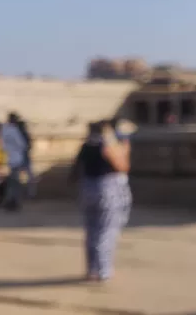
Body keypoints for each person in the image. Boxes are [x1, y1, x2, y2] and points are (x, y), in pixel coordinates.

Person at [71, 121, 132, 282]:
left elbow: (76, 170)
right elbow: (123, 167)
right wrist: (124, 150)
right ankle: (103, 270)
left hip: (87, 189)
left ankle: (91, 269)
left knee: (91, 231)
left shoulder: (86, 146)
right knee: (107, 231)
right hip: (107, 189)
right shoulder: (107, 146)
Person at [0, 114, 29, 211]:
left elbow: (1, 144)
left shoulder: (3, 130)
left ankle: (8, 200)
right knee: (15, 182)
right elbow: (22, 144)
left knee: (9, 182)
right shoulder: (14, 130)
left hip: (6, 159)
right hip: (16, 159)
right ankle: (13, 202)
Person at [8, 112, 36, 200]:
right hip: (19, 157)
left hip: (22, 157)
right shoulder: (11, 131)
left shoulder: (18, 131)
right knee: (17, 178)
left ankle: (25, 194)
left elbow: (29, 145)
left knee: (21, 177)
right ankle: (20, 195)